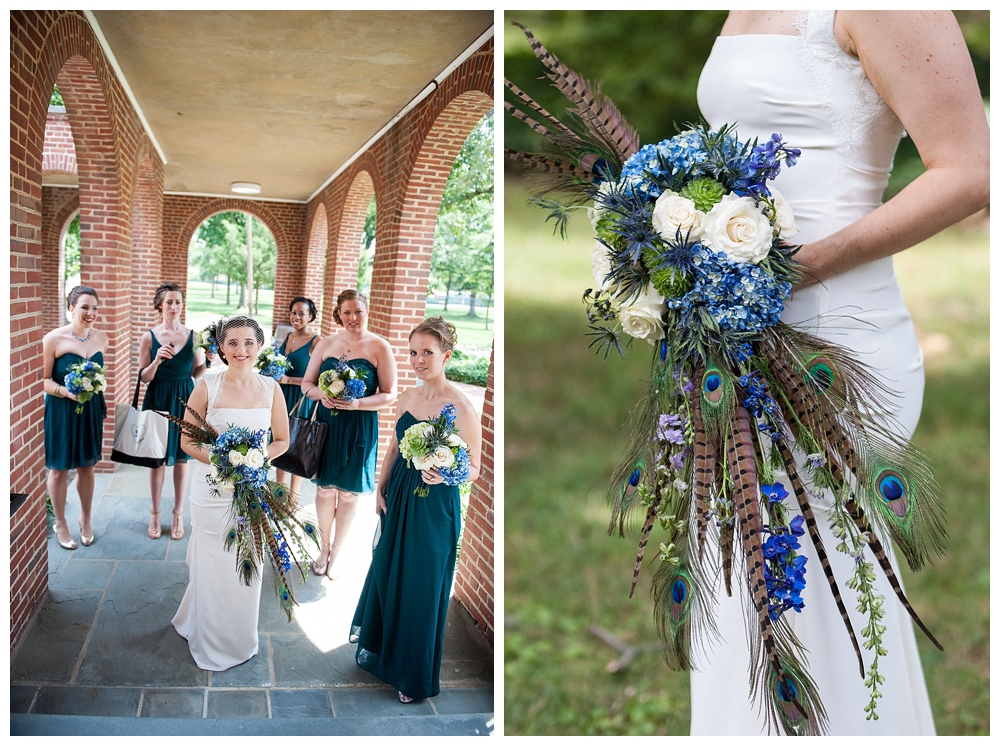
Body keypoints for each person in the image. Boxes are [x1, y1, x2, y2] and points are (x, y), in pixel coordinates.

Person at [691, 10, 989, 735]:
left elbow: (971, 172)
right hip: (736, 320)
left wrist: (802, 266)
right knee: (740, 545)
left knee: (817, 555)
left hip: (832, 321)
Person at [350, 317, 482, 703]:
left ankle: (414, 674)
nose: (418, 360)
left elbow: (474, 468)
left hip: (435, 503)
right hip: (401, 495)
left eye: (427, 352)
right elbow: (393, 448)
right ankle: (386, 653)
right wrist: (380, 487)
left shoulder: (460, 407)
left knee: (423, 586)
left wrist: (447, 476)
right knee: (390, 573)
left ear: (446, 355)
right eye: (413, 352)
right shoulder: (407, 398)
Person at [171, 315, 289, 671]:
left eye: (249, 343)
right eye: (233, 343)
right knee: (213, 563)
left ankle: (238, 637)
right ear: (221, 347)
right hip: (212, 491)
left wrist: (254, 458)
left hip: (253, 491)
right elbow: (187, 440)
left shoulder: (272, 388)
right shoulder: (207, 386)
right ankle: (207, 637)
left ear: (260, 345)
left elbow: (282, 441)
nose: (242, 350)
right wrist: (224, 461)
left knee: (246, 563)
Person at [300, 290, 397, 579]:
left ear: (367, 312)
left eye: (358, 311)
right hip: (328, 425)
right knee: (324, 489)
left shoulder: (380, 346)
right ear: (338, 314)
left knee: (349, 496)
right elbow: (307, 383)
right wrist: (321, 395)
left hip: (360, 428)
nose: (353, 318)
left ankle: (338, 553)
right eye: (346, 312)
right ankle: (323, 548)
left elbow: (390, 395)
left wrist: (358, 403)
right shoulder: (327, 343)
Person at [137, 283, 207, 540]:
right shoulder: (149, 337)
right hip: (158, 398)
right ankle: (155, 512)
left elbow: (197, 372)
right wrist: (157, 360)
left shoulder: (194, 336)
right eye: (169, 302)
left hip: (184, 399)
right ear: (160, 305)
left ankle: (178, 513)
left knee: (180, 459)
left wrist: (205, 360)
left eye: (178, 302)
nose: (174, 307)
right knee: (156, 461)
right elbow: (144, 377)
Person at [42, 286, 109, 550]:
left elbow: (101, 377)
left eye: (94, 307)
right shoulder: (53, 339)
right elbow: (42, 380)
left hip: (90, 410)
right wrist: (64, 391)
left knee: (87, 467)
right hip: (61, 411)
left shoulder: (102, 338)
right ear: (71, 308)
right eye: (84, 307)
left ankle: (85, 518)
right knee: (58, 470)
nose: (90, 313)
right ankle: (60, 522)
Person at [275, 296, 320, 497]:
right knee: (279, 441)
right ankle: (279, 492)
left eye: (302, 313)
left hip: (301, 397)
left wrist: (289, 380)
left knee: (296, 444)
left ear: (311, 316)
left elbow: (319, 378)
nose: (296, 317)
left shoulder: (317, 341)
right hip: (282, 396)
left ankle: (292, 498)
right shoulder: (288, 337)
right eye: (294, 312)